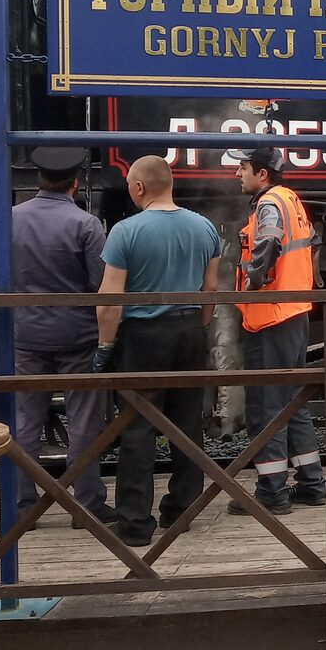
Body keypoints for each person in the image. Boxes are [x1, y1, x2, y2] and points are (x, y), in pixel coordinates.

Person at [95, 155, 221, 547]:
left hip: (143, 335)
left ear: (137, 187)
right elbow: (211, 290)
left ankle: (134, 523)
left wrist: (105, 347)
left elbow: (109, 301)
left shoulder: (124, 231)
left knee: (137, 426)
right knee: (187, 422)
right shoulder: (205, 227)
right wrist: (197, 327)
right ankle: (182, 509)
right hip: (188, 330)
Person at [0, 147, 114, 526]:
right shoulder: (86, 224)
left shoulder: (8, 219)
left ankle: (22, 504)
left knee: (25, 420)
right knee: (84, 422)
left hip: (25, 333)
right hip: (77, 335)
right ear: (75, 182)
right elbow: (99, 284)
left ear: (39, 179)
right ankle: (86, 504)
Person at [227, 145, 324, 515]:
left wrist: (255, 278)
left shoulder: (268, 204)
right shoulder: (291, 199)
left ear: (262, 174)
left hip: (270, 317)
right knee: (292, 401)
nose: (238, 174)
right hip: (294, 311)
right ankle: (312, 483)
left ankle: (271, 492)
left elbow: (268, 241)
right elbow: (314, 240)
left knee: (267, 406)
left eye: (243, 168)